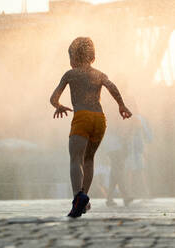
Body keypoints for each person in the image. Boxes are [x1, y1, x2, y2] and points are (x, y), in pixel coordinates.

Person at [50, 37, 132, 218]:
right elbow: (112, 88)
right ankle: (84, 198)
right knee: (89, 159)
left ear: (73, 57)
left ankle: (77, 198)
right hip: (100, 120)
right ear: (92, 56)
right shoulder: (99, 74)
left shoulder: (70, 74)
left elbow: (53, 97)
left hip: (82, 117)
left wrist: (58, 105)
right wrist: (121, 105)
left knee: (75, 159)